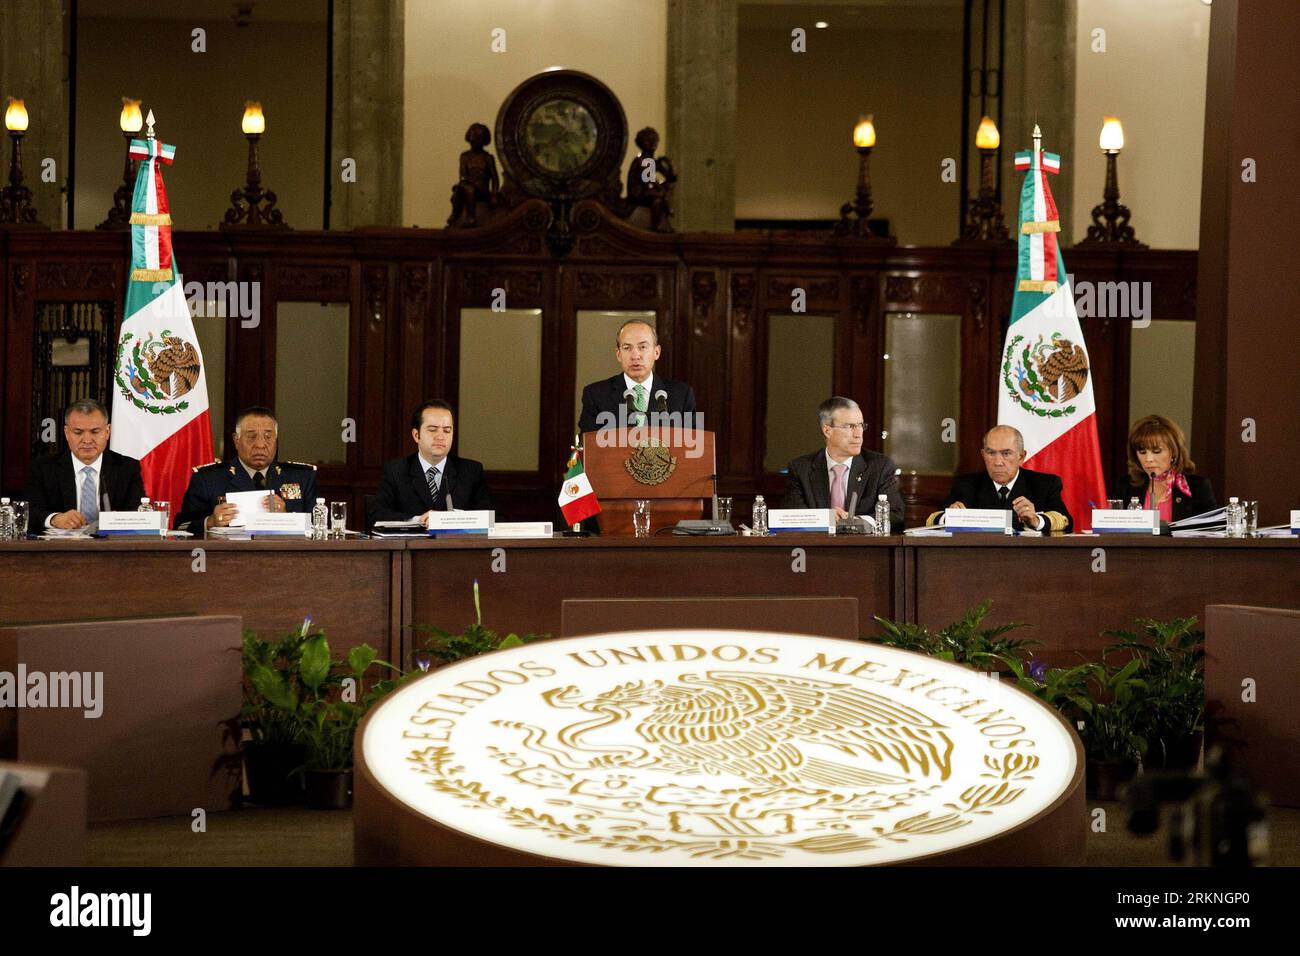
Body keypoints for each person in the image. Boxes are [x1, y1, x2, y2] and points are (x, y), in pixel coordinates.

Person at [175, 406, 317, 535]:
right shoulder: (208, 479)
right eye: (251, 436)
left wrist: (287, 519)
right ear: (236, 440)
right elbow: (180, 527)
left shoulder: (302, 477)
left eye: (268, 437)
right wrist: (210, 522)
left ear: (276, 440)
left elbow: (320, 527)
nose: (260, 445)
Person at [23, 398, 146, 530]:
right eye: (78, 432)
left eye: (95, 432)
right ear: (66, 433)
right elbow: (28, 512)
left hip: (110, 542)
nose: (87, 440)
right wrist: (54, 519)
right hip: (61, 543)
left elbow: (138, 514)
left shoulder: (127, 468)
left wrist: (118, 521)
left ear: (107, 431)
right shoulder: (43, 468)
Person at [783, 397, 905, 529]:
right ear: (827, 431)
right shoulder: (801, 469)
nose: (858, 434)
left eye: (861, 425)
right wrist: (826, 518)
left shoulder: (880, 466)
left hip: (863, 542)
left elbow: (895, 515)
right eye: (850, 426)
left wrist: (856, 521)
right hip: (818, 542)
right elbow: (792, 517)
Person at [925, 425, 1072, 532]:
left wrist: (1035, 520)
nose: (998, 462)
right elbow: (933, 520)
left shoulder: (1044, 484)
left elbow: (1065, 521)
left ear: (1021, 457)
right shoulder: (966, 485)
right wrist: (950, 517)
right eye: (991, 453)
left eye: (1006, 453)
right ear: (983, 455)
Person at [370, 400, 493, 527]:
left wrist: (453, 519)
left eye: (447, 431)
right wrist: (418, 520)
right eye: (433, 430)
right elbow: (376, 514)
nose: (440, 437)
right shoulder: (396, 470)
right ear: (416, 435)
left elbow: (489, 518)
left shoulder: (470, 471)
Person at [577, 319, 697, 434]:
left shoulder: (681, 395)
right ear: (618, 354)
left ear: (656, 352)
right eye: (627, 348)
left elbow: (693, 442)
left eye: (643, 347)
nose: (635, 356)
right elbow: (588, 443)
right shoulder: (595, 395)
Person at [1118, 414, 1215, 522]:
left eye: (1156, 451)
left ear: (1173, 452)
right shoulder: (1126, 486)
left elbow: (1210, 530)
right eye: (1142, 452)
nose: (1148, 459)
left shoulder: (1197, 488)